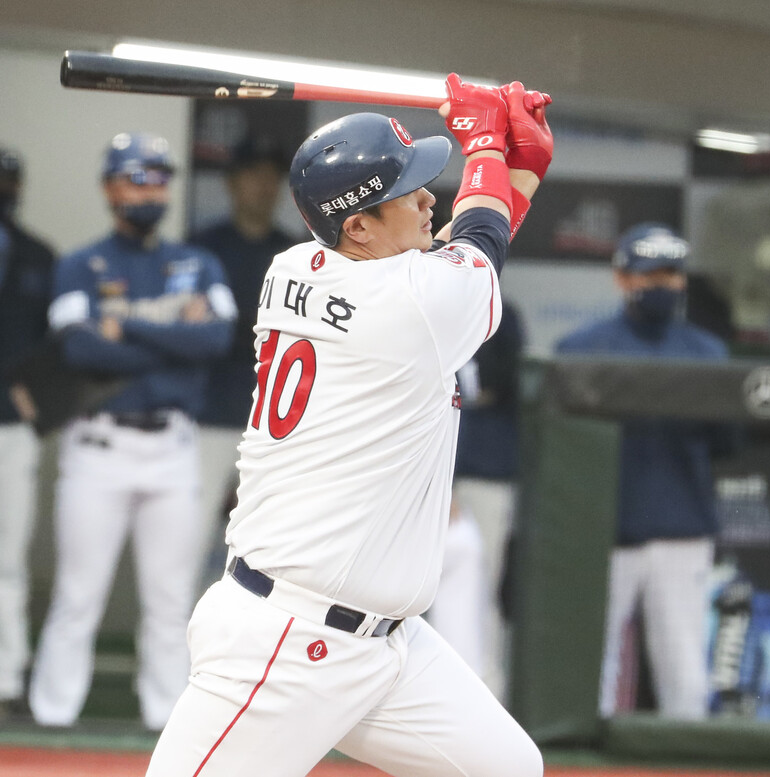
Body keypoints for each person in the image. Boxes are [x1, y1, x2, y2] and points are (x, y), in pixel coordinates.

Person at [145, 74, 553, 777]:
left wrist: (516, 167)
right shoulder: (404, 302)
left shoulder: (301, 266)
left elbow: (470, 250)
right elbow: (474, 253)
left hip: (389, 650)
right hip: (287, 638)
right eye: (409, 190)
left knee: (507, 766)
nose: (431, 197)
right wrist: (487, 148)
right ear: (357, 226)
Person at [27, 132, 237, 731]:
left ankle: (165, 727)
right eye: (137, 177)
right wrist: (174, 338)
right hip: (98, 446)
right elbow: (76, 351)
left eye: (160, 177)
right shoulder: (80, 263)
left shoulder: (198, 262)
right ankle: (50, 722)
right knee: (77, 598)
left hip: (172, 450)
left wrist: (124, 327)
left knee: (171, 604)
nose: (151, 189)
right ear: (110, 186)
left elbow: (217, 341)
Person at [555, 223, 730, 719]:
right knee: (590, 671)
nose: (661, 283)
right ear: (622, 278)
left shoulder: (708, 353)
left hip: (682, 528)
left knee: (684, 673)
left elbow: (727, 443)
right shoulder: (581, 350)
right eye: (649, 272)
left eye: (670, 273)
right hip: (600, 530)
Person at [191, 137, 296, 587]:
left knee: (276, 551)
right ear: (233, 183)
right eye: (253, 175)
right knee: (188, 546)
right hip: (208, 414)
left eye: (272, 177)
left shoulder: (297, 254)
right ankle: (178, 657)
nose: (264, 186)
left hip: (276, 423)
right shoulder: (201, 249)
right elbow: (197, 336)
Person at [426, 302, 525, 701]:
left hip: (482, 470)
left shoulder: (500, 313)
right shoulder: (412, 305)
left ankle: (483, 700)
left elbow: (505, 380)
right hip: (424, 478)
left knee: (478, 588)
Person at [0, 148, 56, 716]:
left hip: (11, 429)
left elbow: (57, 346)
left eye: (8, 180)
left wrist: (39, 408)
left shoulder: (39, 256)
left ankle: (6, 679)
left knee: (7, 559)